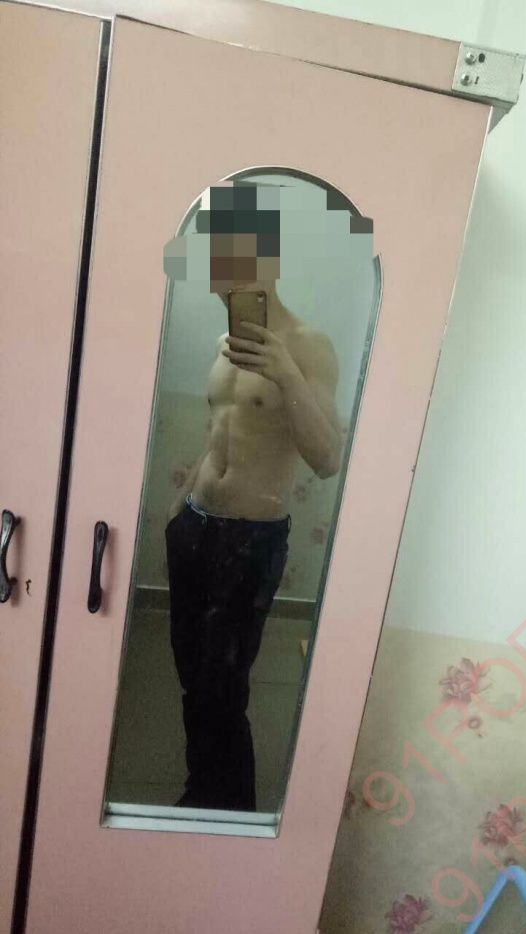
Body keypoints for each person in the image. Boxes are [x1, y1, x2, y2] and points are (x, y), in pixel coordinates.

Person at [164, 272, 342, 811]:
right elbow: (220, 431)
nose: (224, 277)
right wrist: (180, 506)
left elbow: (327, 458)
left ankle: (232, 806)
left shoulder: (310, 346)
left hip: (250, 540)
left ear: (272, 261)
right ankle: (202, 789)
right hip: (195, 526)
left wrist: (286, 373)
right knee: (192, 677)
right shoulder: (224, 344)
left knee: (224, 688)